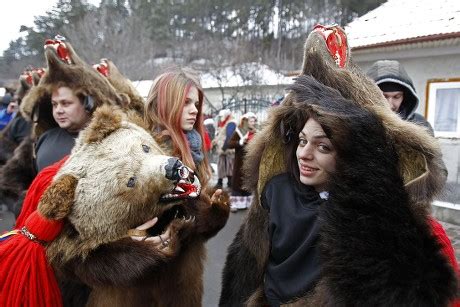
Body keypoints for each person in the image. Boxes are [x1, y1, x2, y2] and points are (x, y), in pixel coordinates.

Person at [220, 76, 458, 306]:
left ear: (350, 155)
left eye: (323, 146)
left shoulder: (370, 216)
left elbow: (421, 287)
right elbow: (244, 270)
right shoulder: (277, 192)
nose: (304, 154)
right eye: (302, 141)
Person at [144, 68, 212, 187]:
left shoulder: (195, 147)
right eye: (186, 102)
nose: (195, 110)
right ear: (164, 104)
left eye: (196, 104)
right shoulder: (148, 154)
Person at [367, 59, 434, 135]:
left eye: (396, 97)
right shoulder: (356, 126)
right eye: (384, 97)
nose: (389, 105)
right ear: (369, 95)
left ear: (405, 97)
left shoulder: (421, 126)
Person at [34, 86, 92, 172]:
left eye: (65, 104)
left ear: (88, 104)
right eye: (54, 104)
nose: (58, 110)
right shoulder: (45, 137)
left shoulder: (106, 142)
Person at [227, 111, 258, 212]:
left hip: (251, 161)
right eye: (251, 121)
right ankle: (234, 204)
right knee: (237, 182)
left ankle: (247, 203)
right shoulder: (239, 131)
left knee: (247, 181)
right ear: (246, 121)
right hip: (240, 162)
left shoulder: (256, 132)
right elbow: (230, 144)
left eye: (254, 121)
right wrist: (240, 142)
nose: (253, 122)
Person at [213, 109, 236, 189]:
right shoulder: (226, 123)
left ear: (226, 116)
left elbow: (229, 136)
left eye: (222, 116)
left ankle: (226, 183)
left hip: (226, 149)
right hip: (224, 149)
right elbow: (222, 135)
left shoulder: (231, 123)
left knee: (228, 166)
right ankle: (224, 182)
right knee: (224, 165)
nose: (221, 118)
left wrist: (223, 148)